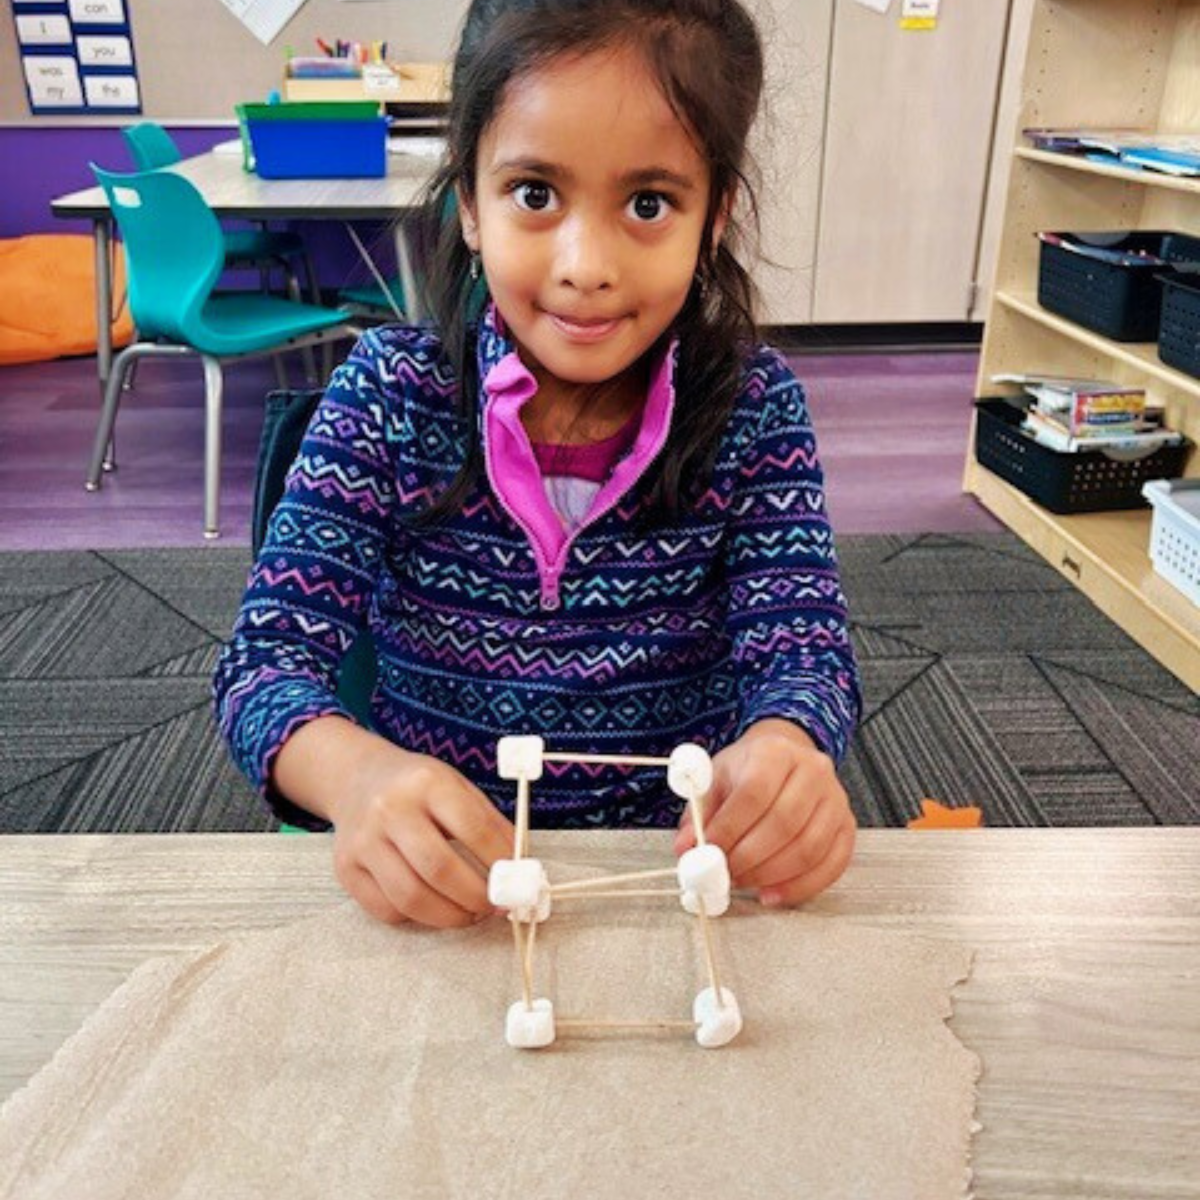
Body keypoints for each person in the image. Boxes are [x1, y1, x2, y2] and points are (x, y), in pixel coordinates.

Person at [213, 0, 862, 930]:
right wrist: (356, 779)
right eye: (534, 194)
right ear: (469, 203)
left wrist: (788, 743)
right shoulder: (388, 399)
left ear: (713, 215)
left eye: (648, 204)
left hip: (667, 889)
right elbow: (262, 667)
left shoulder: (754, 411)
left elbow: (807, 656)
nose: (584, 264)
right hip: (453, 894)